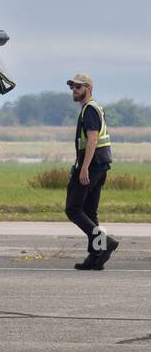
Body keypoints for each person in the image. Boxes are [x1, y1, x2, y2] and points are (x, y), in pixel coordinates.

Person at [65, 72, 119, 270]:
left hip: (92, 165)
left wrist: (84, 168)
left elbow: (93, 140)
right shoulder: (94, 108)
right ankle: (96, 256)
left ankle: (106, 243)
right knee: (89, 211)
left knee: (73, 209)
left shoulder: (89, 110)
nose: (74, 90)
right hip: (101, 165)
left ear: (89, 89)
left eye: (78, 87)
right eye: (72, 87)